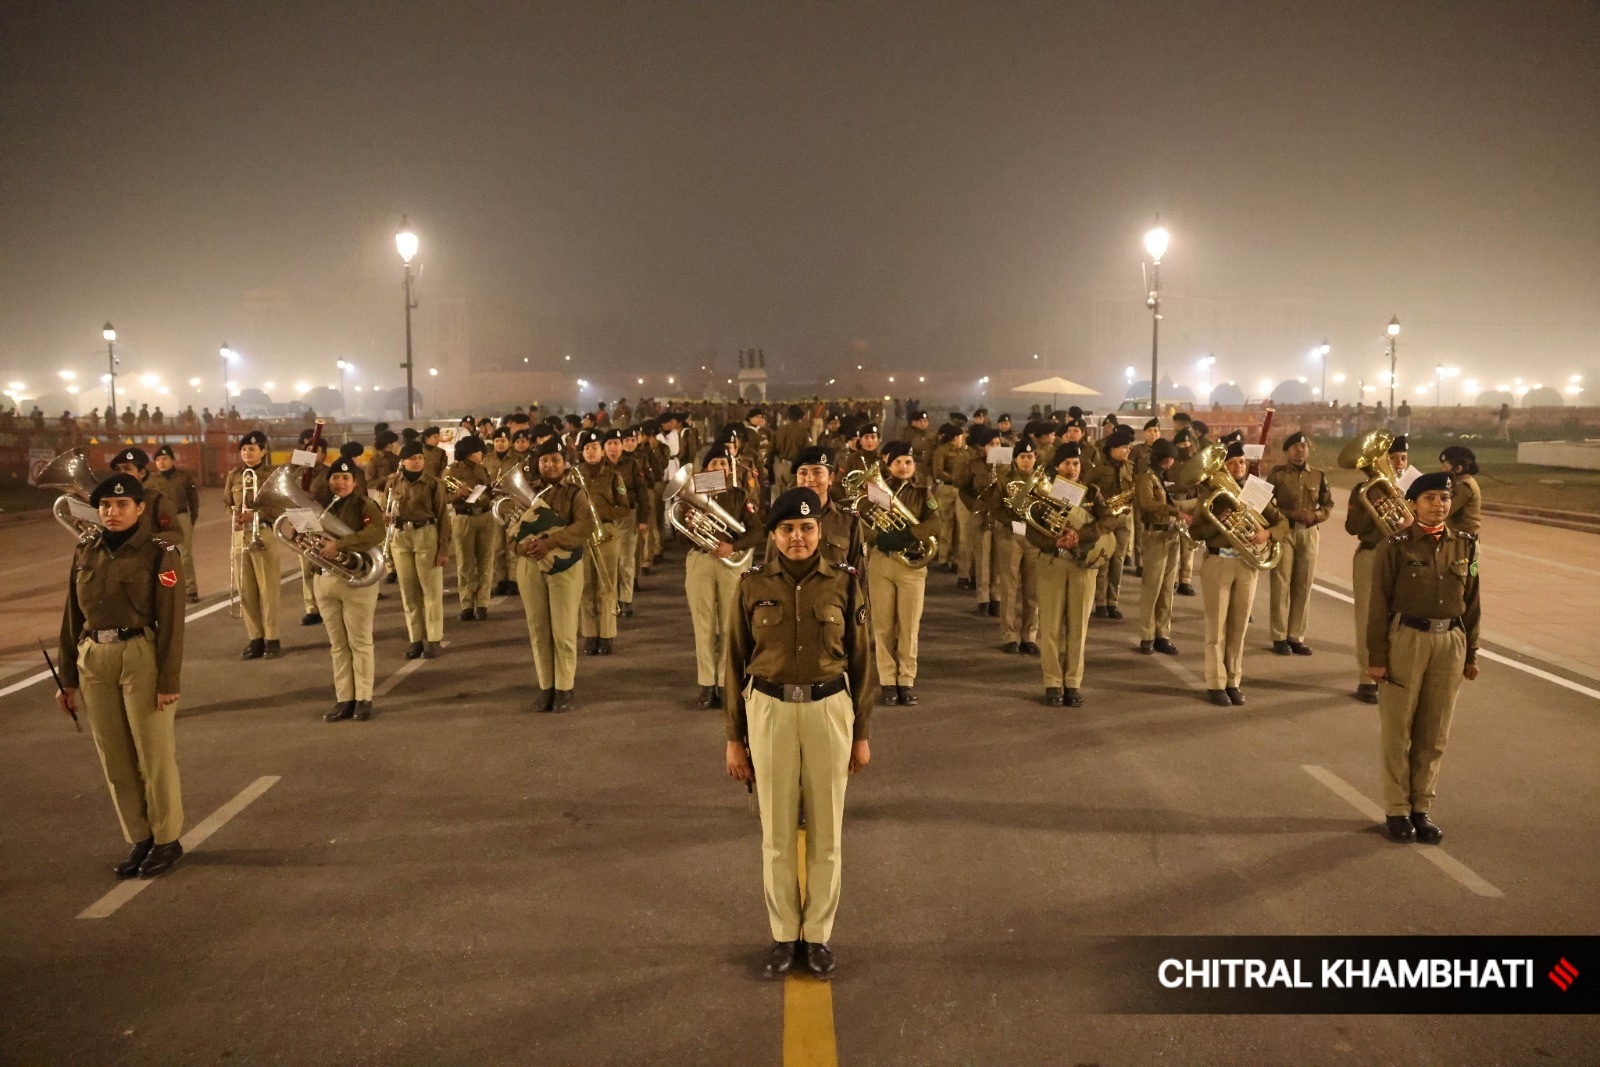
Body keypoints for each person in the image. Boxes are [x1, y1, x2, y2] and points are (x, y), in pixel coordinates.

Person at [723, 488, 875, 981]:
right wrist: (734, 737)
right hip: (768, 711)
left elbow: (863, 659)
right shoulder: (749, 585)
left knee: (828, 833)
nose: (797, 537)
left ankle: (819, 936)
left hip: (830, 709)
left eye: (806, 528)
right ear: (773, 536)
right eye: (787, 529)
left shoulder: (845, 584)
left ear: (819, 532)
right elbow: (733, 663)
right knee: (777, 833)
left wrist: (862, 732)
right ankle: (785, 935)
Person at [56, 475, 186, 879]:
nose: (112, 513)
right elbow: (71, 618)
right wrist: (67, 680)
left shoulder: (160, 553)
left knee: (154, 755)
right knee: (115, 757)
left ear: (141, 509)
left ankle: (167, 839)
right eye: (106, 507)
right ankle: (140, 837)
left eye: (122, 506)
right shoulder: (86, 551)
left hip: (140, 655)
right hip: (94, 657)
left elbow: (172, 623)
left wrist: (168, 681)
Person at [1367, 472, 1480, 844]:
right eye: (1430, 497)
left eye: (1444, 498)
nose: (1439, 504)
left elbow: (1474, 600)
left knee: (1435, 732)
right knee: (1398, 730)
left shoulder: (1467, 546)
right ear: (1413, 503)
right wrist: (1377, 657)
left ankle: (1422, 807)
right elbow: (1378, 604)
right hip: (1406, 640)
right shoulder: (1394, 545)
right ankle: (1396, 809)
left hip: (1450, 642)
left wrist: (1471, 651)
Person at [1197, 443, 1288, 705]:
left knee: (1238, 628)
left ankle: (1233, 681)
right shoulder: (1211, 494)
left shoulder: (1255, 490)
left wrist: (1266, 534)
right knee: (1217, 628)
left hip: (1247, 564)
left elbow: (1281, 522)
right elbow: (1195, 532)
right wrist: (1219, 523)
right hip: (1218, 561)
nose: (1239, 466)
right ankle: (1215, 682)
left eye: (1242, 462)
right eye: (1233, 462)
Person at [513, 440, 595, 711]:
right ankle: (546, 686)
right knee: (538, 628)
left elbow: (585, 525)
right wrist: (520, 546)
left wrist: (551, 541)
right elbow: (511, 527)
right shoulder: (526, 493)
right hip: (529, 565)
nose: (549, 465)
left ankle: (564, 688)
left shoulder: (574, 493)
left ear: (564, 462)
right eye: (544, 460)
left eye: (555, 459)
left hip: (564, 565)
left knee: (563, 629)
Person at [1028, 442, 1113, 707]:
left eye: (1076, 464)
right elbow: (1031, 531)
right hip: (1053, 562)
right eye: (1067, 464)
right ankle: (1053, 683)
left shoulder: (1092, 493)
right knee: (1051, 627)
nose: (1073, 468)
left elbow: (1110, 521)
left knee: (1078, 628)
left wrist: (1080, 535)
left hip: (1081, 566)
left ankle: (1073, 683)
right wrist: (1052, 542)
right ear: (1057, 467)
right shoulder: (1043, 493)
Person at [684, 444, 767, 707]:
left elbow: (756, 532)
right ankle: (707, 684)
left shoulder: (740, 496)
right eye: (713, 465)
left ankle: (726, 681)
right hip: (700, 560)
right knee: (703, 625)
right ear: (705, 469)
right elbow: (677, 536)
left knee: (731, 625)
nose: (719, 468)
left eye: (723, 464)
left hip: (731, 562)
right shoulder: (692, 496)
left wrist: (734, 546)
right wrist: (688, 523)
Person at [862, 442, 939, 705]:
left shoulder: (922, 491)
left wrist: (908, 534)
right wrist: (879, 538)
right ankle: (887, 680)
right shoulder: (877, 490)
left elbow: (935, 522)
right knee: (883, 624)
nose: (903, 467)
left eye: (908, 462)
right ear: (888, 465)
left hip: (911, 563)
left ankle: (906, 679)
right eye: (898, 462)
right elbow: (866, 520)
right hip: (882, 562)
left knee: (909, 626)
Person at [312, 457, 387, 722]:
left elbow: (377, 532)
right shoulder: (322, 507)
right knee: (338, 645)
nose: (340, 482)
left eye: (345, 478)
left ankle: (363, 699)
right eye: (335, 478)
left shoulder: (365, 504)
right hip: (326, 580)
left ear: (355, 482)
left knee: (360, 642)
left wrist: (340, 544)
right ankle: (344, 698)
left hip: (357, 580)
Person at [1346, 435, 1414, 704]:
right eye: (1393, 458)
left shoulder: (1413, 488)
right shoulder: (1364, 490)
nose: (1398, 463)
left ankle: (1396, 669)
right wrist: (1372, 506)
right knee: (1367, 617)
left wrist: (1409, 518)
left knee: (1401, 617)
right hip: (1373, 555)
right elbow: (1353, 528)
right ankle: (1366, 679)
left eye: (1402, 458)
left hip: (1404, 558)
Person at [1266, 431, 1332, 656]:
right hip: (1285, 532)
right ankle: (1279, 635)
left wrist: (1317, 516)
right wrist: (1288, 513)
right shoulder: (1277, 475)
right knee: (1281, 584)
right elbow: (1266, 505)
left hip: (1309, 533)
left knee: (1303, 585)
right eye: (1294, 447)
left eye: (1303, 447)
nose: (1299, 451)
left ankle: (1296, 636)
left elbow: (1327, 504)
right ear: (1287, 451)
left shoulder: (1319, 476)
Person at [383, 441, 450, 659]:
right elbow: (385, 509)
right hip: (401, 537)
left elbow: (443, 517)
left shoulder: (433, 483)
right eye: (412, 458)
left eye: (420, 458)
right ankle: (415, 640)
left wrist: (443, 549)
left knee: (431, 592)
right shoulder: (393, 483)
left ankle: (433, 639)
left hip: (426, 535)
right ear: (402, 461)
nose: (417, 461)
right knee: (409, 593)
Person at [224, 430, 282, 660]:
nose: (247, 452)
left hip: (265, 534)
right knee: (245, 590)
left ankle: (272, 639)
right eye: (244, 449)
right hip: (240, 537)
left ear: (263, 451)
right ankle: (255, 638)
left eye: (252, 449)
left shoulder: (272, 474)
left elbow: (280, 506)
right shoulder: (235, 475)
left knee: (268, 590)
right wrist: (235, 516)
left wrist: (255, 515)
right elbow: (228, 503)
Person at [573, 429, 629, 654]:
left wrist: (604, 512)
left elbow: (624, 506)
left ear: (601, 450)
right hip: (583, 532)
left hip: (606, 532)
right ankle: (589, 634)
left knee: (606, 585)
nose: (590, 452)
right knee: (585, 585)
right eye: (586, 448)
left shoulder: (614, 476)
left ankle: (606, 634)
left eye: (594, 448)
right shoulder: (575, 475)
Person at [986, 439, 1040, 655]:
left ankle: (1029, 635)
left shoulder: (1041, 481)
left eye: (1030, 457)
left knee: (1033, 589)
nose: (1027, 461)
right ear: (1015, 459)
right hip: (1010, 534)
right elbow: (996, 507)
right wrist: (1011, 520)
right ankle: (1009, 635)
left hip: (1034, 537)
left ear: (1035, 458)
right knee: (1009, 586)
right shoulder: (1003, 480)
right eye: (1022, 457)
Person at [1134, 438, 1185, 655]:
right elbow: (1147, 503)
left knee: (1167, 590)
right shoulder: (1147, 478)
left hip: (1171, 534)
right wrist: (1174, 511)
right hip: (1154, 535)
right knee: (1152, 588)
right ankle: (1147, 635)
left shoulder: (1163, 478)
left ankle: (1162, 633)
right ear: (1166, 459)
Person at [1086, 425, 1136, 619]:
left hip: (1124, 519)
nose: (1128, 450)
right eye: (1124, 447)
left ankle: (1112, 601)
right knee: (1103, 560)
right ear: (1112, 449)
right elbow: (1086, 490)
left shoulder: (1131, 467)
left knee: (1118, 562)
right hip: (1105, 519)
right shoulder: (1098, 469)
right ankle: (1100, 603)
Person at [955, 426, 1003, 614]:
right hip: (981, 514)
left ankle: (996, 597)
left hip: (1000, 515)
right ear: (983, 447)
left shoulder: (1006, 465)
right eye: (991, 444)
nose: (996, 447)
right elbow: (963, 488)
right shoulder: (974, 464)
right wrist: (973, 505)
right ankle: (983, 598)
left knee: (999, 558)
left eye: (998, 444)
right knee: (982, 556)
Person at [145, 446, 200, 603]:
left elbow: (193, 500)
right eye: (158, 460)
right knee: (163, 556)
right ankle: (168, 590)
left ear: (172, 460)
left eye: (165, 459)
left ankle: (190, 589)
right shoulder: (152, 481)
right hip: (160, 520)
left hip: (181, 516)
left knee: (185, 556)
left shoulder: (183, 477)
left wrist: (192, 519)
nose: (161, 462)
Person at [608, 427, 651, 616]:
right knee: (609, 561)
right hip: (606, 518)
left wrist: (643, 519)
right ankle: (611, 599)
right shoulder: (599, 467)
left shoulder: (631, 465)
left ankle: (625, 599)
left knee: (626, 559)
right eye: (609, 444)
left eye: (616, 444)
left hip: (628, 515)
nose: (613, 448)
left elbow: (642, 493)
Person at [109, 447, 178, 538]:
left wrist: (151, 543)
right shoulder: (108, 501)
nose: (122, 473)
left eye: (127, 469)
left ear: (142, 473)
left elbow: (175, 534)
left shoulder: (156, 500)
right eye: (118, 470)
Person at [928, 424, 965, 573]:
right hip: (947, 489)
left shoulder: (962, 452)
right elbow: (937, 472)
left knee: (959, 527)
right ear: (955, 437)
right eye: (961, 437)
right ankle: (943, 558)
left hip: (959, 490)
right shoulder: (941, 451)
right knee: (945, 525)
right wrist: (954, 478)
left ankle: (956, 559)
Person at [1439, 446, 1481, 536]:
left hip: (1464, 543)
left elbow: (1445, 511)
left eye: (1445, 466)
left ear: (1458, 469)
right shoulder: (1458, 483)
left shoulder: (1464, 486)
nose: (1442, 470)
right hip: (1459, 538)